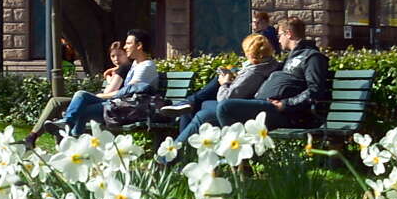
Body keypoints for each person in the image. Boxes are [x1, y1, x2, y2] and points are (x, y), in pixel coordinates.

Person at [157, 32, 282, 160]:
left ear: (250, 53)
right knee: (192, 109)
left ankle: (169, 158)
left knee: (199, 110)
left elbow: (225, 99)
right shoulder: (267, 65)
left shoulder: (255, 72)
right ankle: (179, 157)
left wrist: (225, 82)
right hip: (239, 105)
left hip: (235, 110)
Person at [35, 34, 151, 142]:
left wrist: (102, 94)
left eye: (128, 44)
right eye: (113, 56)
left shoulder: (142, 66)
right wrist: (112, 75)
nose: (125, 47)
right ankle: (66, 130)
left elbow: (129, 90)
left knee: (80, 98)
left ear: (139, 45)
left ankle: (68, 133)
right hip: (118, 103)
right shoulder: (135, 65)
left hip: (123, 106)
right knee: (74, 102)